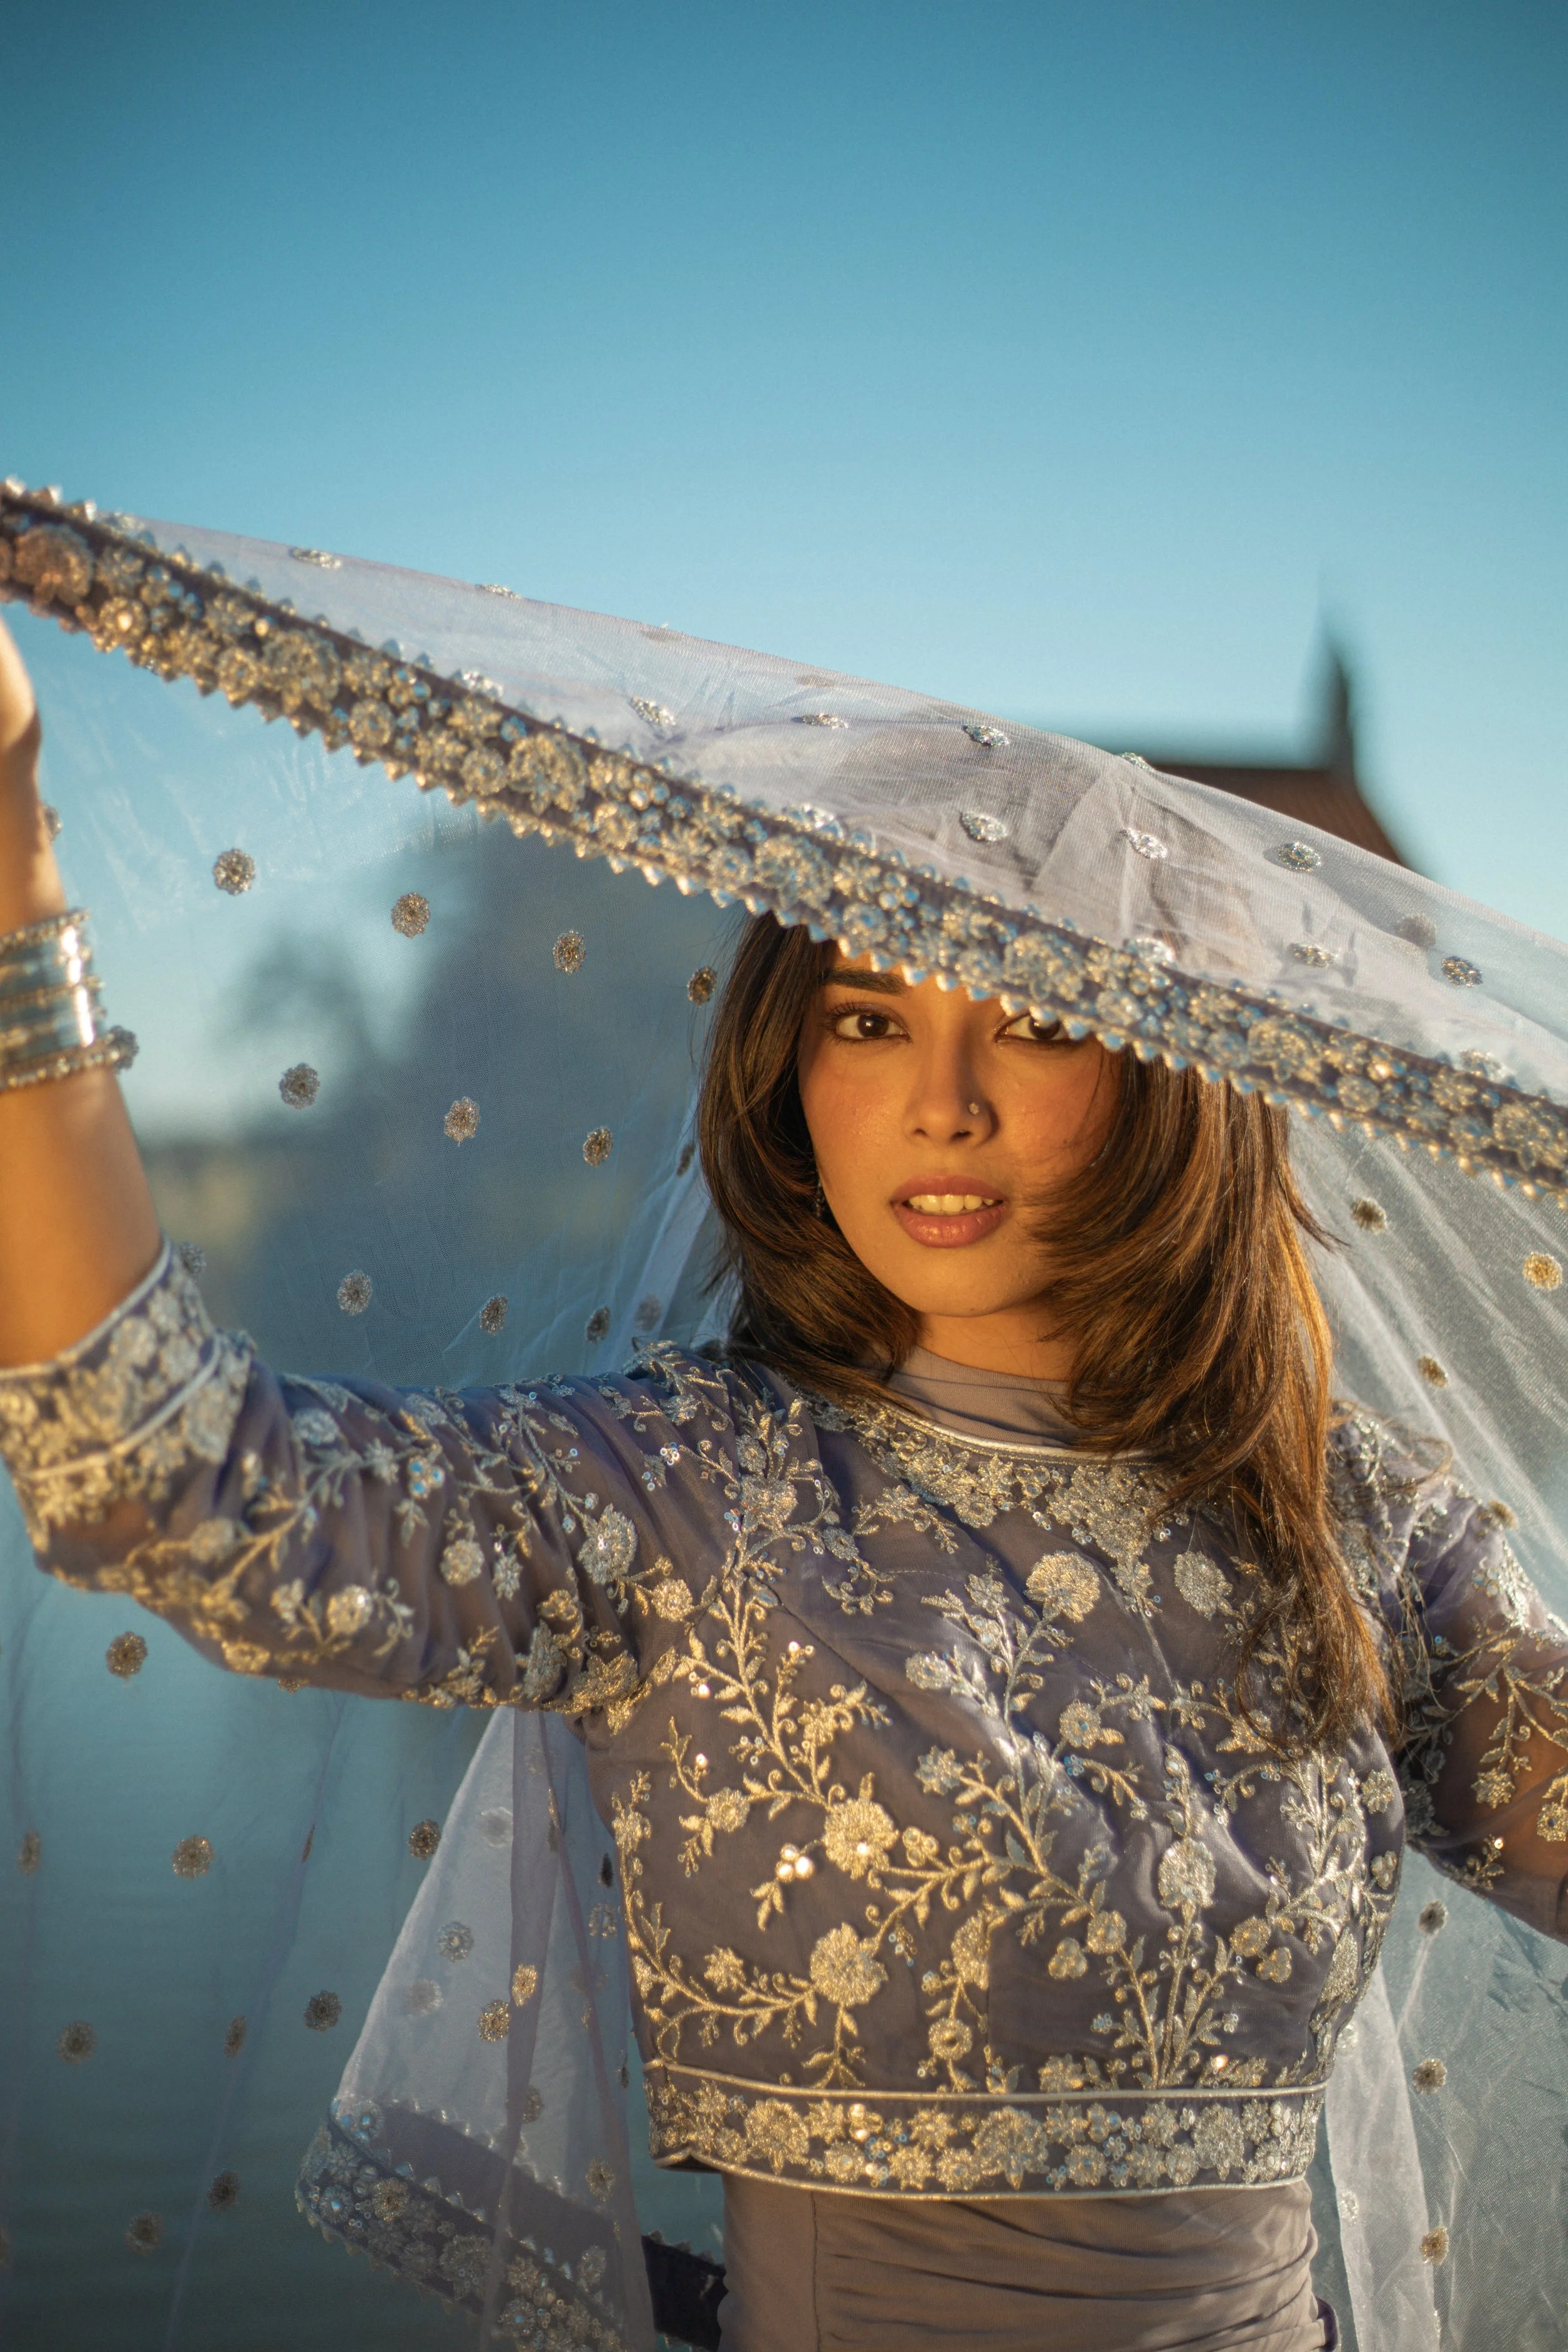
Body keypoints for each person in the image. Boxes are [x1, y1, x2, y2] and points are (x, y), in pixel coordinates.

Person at [5, 595, 1568, 2352]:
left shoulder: (1362, 1533)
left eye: (1039, 1019)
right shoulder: (685, 1495)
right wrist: (10, 856)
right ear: (788, 1058)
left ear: (1166, 1067)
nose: (942, 1102)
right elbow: (180, 1482)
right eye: (868, 1017)